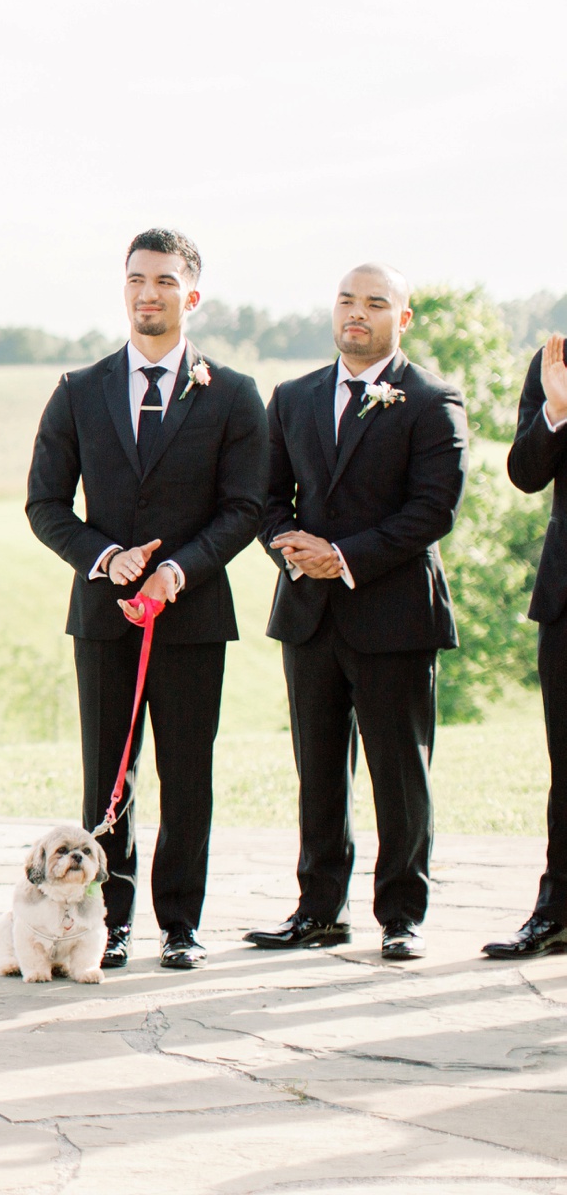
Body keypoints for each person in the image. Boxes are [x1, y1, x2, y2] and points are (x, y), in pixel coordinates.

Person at [26, 229, 264, 972]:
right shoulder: (78, 389)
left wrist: (178, 570)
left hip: (191, 618)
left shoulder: (232, 394)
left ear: (191, 295)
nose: (147, 293)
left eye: (163, 281)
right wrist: (106, 557)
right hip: (104, 618)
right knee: (109, 778)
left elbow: (245, 505)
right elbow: (44, 504)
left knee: (188, 773)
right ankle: (114, 922)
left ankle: (183, 925)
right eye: (136, 279)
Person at [246, 265, 466, 963]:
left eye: (376, 303)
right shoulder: (294, 396)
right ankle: (319, 911)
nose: (357, 314)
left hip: (395, 616)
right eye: (347, 300)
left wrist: (340, 555)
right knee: (317, 771)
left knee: (399, 774)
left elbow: (433, 510)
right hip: (308, 614)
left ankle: (402, 914)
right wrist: (294, 550)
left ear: (403, 318)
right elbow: (265, 497)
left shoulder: (433, 400)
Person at [488, 333, 567, 960]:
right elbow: (525, 472)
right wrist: (558, 410)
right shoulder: (555, 362)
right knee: (564, 768)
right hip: (566, 600)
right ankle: (557, 912)